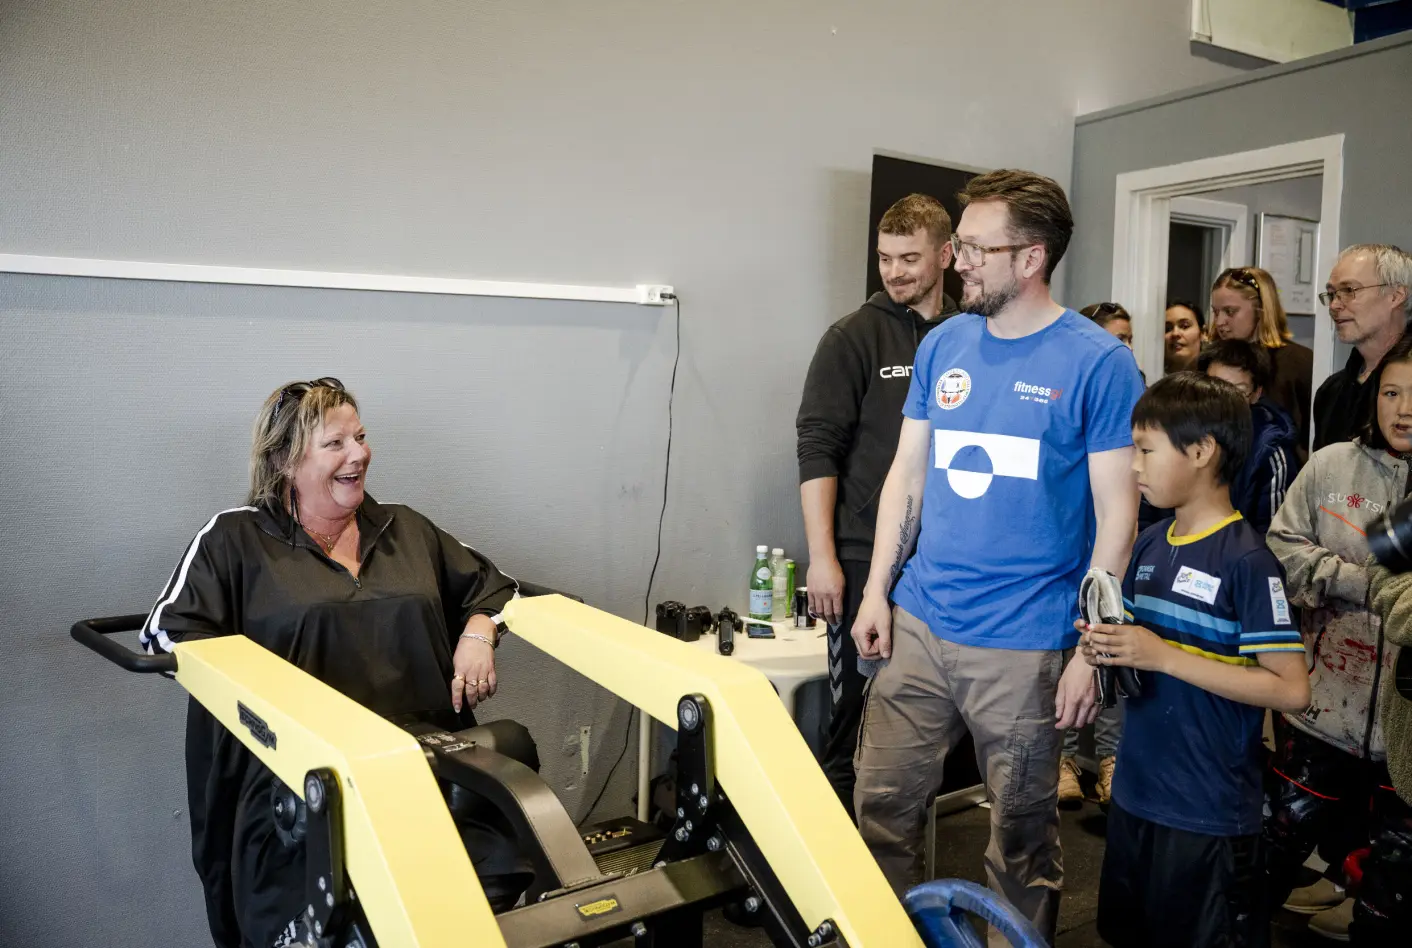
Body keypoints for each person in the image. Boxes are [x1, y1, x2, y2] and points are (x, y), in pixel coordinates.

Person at [850, 168, 1144, 941]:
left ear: (1031, 258)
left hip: (1024, 643)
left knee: (1020, 841)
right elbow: (907, 476)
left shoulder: (1098, 363)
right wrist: (877, 590)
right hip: (919, 623)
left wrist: (1092, 650)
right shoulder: (944, 342)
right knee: (880, 808)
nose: (958, 261)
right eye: (959, 244)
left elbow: (1118, 517)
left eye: (977, 248)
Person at [139, 378, 528, 948]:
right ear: (284, 459)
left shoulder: (404, 528)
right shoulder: (234, 539)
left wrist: (478, 633)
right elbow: (167, 634)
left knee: (481, 886)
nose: (359, 455)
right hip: (295, 784)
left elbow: (497, 588)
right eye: (336, 444)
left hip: (420, 765)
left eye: (361, 438)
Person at [1081, 372, 1310, 948]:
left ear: (1203, 451)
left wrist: (1164, 656)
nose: (1133, 466)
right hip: (1136, 794)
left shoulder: (1248, 561)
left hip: (1207, 811)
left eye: (1146, 450)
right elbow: (1137, 654)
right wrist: (1106, 647)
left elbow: (1291, 689)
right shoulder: (1152, 542)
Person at [795, 193, 958, 820]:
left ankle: (902, 856)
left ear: (945, 255)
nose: (894, 272)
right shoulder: (852, 337)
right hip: (864, 555)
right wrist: (823, 558)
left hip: (943, 558)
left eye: (909, 258)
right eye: (885, 258)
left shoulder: (970, 335)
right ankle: (834, 860)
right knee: (855, 717)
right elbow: (817, 449)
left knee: (928, 722)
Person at [1263, 336, 1412, 941]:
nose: (1403, 409)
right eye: (1391, 393)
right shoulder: (1331, 465)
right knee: (1272, 850)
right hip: (1323, 708)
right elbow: (1282, 548)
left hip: (1406, 737)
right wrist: (1363, 583)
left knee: (1388, 896)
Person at [1312, 243, 1412, 451]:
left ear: (1395, 296)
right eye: (1331, 294)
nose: (1334, 305)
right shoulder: (1331, 391)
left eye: (1349, 290)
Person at [1210, 266, 1314, 457]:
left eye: (1230, 312)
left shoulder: (1300, 363)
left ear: (1261, 310)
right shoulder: (1209, 362)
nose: (1219, 322)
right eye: (1216, 312)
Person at [1198, 339, 1300, 535]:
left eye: (1238, 391)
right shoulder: (1182, 434)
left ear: (1256, 394)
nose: (1224, 401)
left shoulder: (1269, 451)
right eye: (1214, 388)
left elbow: (1272, 535)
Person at [1164, 300, 1205, 374]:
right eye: (1167, 329)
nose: (1175, 333)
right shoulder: (1150, 378)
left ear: (1203, 333)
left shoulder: (1216, 375)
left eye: (1184, 326)